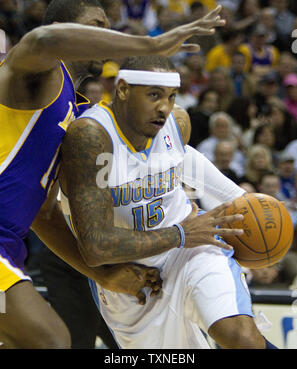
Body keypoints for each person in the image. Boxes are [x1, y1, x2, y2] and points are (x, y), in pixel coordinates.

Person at [0, 0, 227, 349]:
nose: (107, 35)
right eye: (97, 25)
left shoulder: (76, 115)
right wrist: (150, 44)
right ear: (65, 27)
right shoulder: (36, 76)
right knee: (50, 342)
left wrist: (104, 275)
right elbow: (41, 40)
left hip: (9, 245)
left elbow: (44, 214)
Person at [59, 55, 278, 349]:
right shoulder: (92, 137)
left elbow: (182, 157)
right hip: (131, 278)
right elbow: (96, 246)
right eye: (153, 95)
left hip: (191, 251)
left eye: (171, 96)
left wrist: (243, 200)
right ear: (123, 89)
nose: (164, 107)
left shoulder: (177, 121)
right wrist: (182, 234)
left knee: (241, 338)